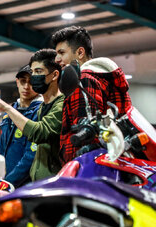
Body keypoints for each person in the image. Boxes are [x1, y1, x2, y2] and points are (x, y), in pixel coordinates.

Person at [51, 25, 132, 165]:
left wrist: (75, 166)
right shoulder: (105, 77)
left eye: (62, 53)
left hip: (87, 165)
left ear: (80, 53)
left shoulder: (83, 79)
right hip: (116, 162)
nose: (57, 59)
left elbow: (83, 135)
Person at [0, 49, 64, 182]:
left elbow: (38, 135)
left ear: (54, 75)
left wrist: (8, 183)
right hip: (27, 183)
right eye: (32, 73)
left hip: (39, 185)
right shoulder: (11, 115)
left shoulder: (59, 105)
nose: (28, 85)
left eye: (37, 72)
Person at [0, 64, 43, 187]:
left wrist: (7, 182)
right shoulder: (9, 112)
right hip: (4, 182)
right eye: (23, 81)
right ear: (17, 82)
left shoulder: (41, 112)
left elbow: (31, 157)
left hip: (27, 186)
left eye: (32, 82)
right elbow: (0, 151)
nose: (26, 87)